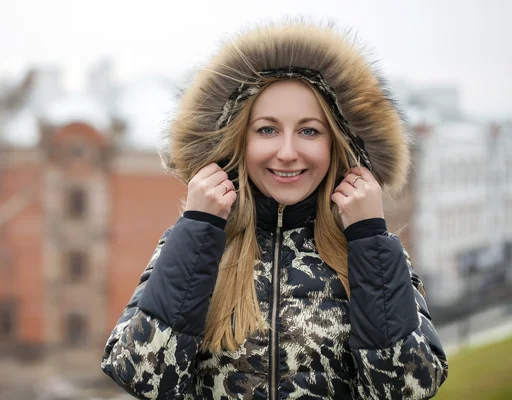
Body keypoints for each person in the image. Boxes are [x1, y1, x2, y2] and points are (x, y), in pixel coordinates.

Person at [101, 20, 448, 399]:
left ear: (336, 144)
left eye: (309, 131)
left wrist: (368, 237)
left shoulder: (371, 249)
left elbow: (407, 389)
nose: (287, 152)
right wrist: (198, 227)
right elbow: (141, 374)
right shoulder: (193, 242)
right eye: (267, 129)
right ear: (239, 139)